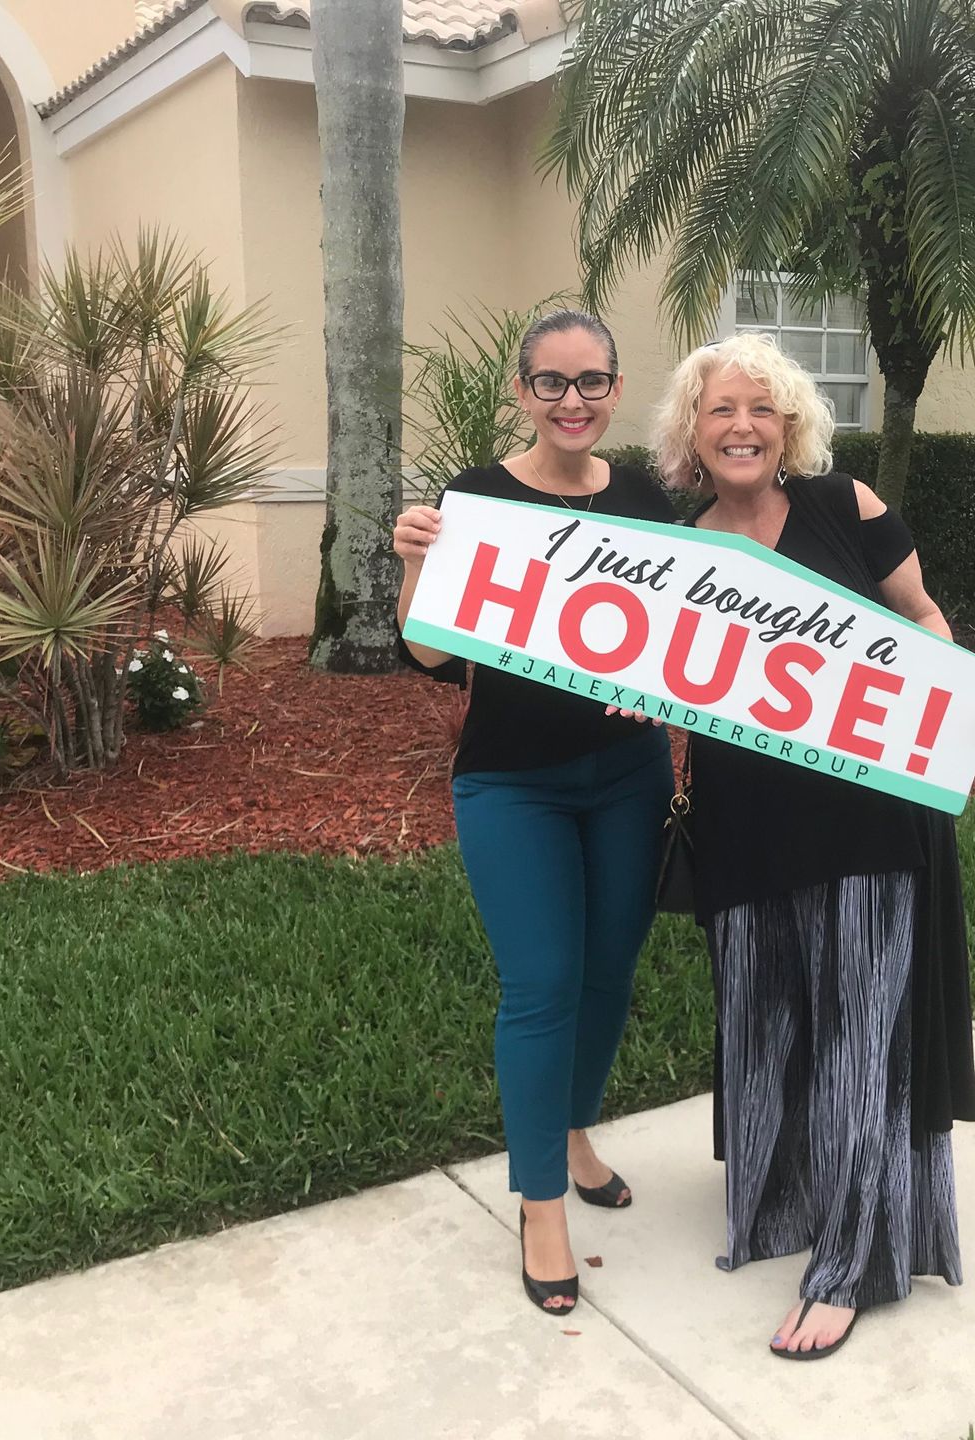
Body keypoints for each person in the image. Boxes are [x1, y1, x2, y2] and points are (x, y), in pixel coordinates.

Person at [649, 333, 975, 1360]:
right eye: (721, 410)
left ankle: (853, 1262)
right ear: (692, 431)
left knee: (861, 1039)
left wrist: (954, 698)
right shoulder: (686, 549)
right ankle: (789, 1204)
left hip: (867, 820)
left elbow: (923, 615)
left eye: (761, 409)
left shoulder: (842, 507)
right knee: (767, 1024)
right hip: (744, 823)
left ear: (791, 426)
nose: (742, 427)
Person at [392, 310, 677, 1317]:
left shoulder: (648, 498)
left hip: (631, 776)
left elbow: (686, 643)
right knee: (544, 982)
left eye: (591, 382)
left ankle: (571, 1128)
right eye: (551, 383)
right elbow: (431, 655)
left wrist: (667, 693)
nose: (572, 401)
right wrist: (417, 559)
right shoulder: (475, 497)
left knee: (609, 974)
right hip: (512, 782)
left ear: (614, 387)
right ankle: (541, 1202)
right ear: (522, 392)